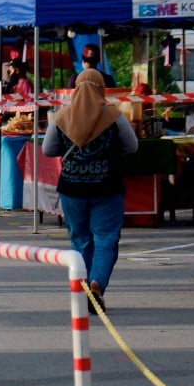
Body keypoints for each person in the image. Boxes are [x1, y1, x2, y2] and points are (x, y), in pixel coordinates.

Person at [42, 70, 138, 313]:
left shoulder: (62, 116)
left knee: (80, 239)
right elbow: (132, 146)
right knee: (106, 237)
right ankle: (97, 284)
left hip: (72, 189)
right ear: (100, 88)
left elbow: (48, 149)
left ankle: (83, 287)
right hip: (108, 187)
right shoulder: (114, 115)